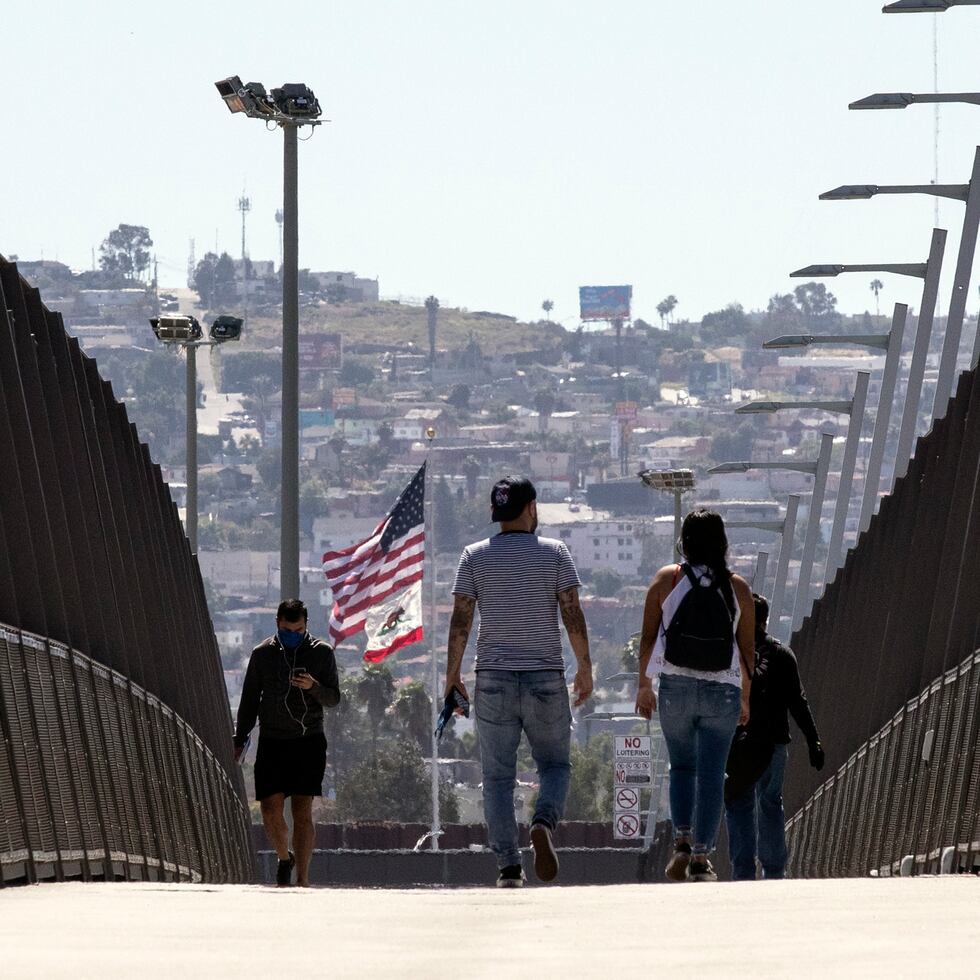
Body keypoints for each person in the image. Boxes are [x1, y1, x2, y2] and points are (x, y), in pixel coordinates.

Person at [445, 475, 593, 888]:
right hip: (545, 676)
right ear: (531, 509)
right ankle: (543, 822)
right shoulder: (556, 554)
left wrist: (452, 676)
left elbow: (461, 621)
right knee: (556, 765)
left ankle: (508, 866)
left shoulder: (473, 557)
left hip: (492, 678)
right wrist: (585, 666)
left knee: (496, 776)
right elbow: (572, 613)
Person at [635, 509, 754, 883]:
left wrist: (644, 684)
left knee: (682, 766)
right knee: (712, 773)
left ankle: (682, 841)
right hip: (723, 689)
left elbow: (649, 636)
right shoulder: (737, 588)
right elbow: (747, 650)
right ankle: (702, 858)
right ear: (723, 544)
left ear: (684, 543)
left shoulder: (667, 581)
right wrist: (745, 698)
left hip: (676, 687)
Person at [234, 598, 340, 887]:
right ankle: (284, 857)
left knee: (302, 812)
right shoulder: (262, 655)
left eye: (298, 630)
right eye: (286, 630)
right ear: (277, 625)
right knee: (269, 809)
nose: (292, 635)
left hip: (308, 741)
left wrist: (313, 687)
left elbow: (333, 698)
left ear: (306, 627)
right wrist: (240, 738)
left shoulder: (321, 653)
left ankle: (303, 879)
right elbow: (249, 700)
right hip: (272, 740)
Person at [724, 592, 825, 881]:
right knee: (770, 803)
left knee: (738, 803)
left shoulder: (727, 655)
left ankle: (742, 871)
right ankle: (774, 870)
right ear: (766, 621)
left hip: (735, 746)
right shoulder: (781, 655)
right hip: (773, 743)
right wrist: (813, 740)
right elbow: (798, 702)